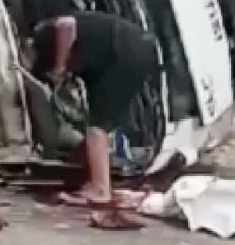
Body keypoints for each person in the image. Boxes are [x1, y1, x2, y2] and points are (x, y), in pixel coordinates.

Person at [24, 12, 160, 229]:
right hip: (134, 52)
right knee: (99, 123)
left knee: (97, 127)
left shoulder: (43, 35)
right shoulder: (66, 56)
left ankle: (100, 191)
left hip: (124, 52)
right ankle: (96, 185)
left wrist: (59, 67)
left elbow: (67, 24)